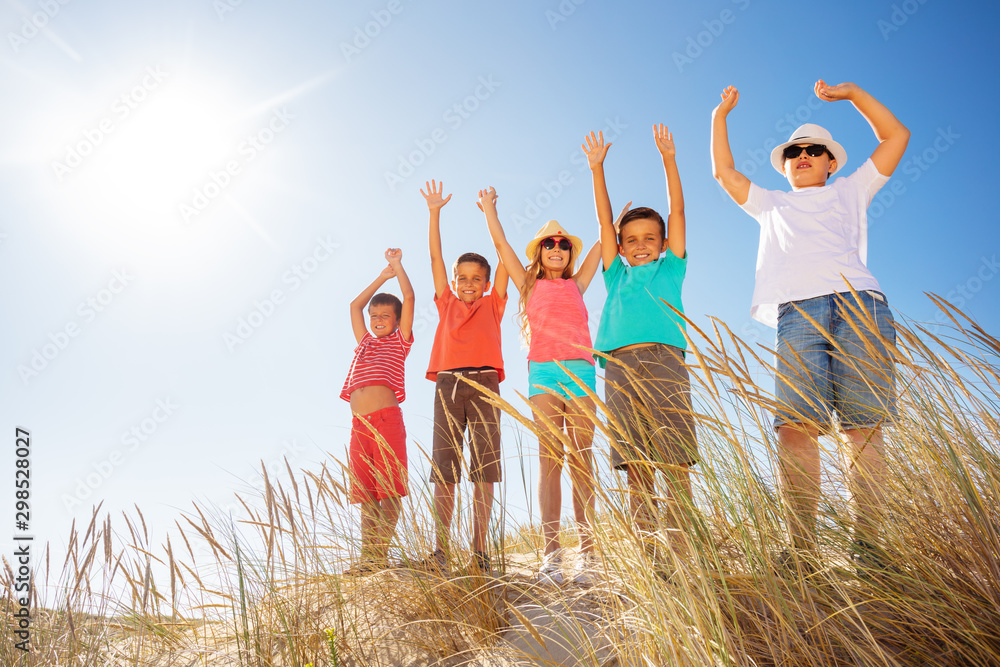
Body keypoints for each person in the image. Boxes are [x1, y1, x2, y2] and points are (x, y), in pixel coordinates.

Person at [711, 80, 909, 571]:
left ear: (830, 162)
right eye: (794, 151)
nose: (803, 155)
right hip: (797, 311)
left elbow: (896, 138)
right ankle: (801, 550)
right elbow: (723, 173)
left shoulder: (849, 190)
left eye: (814, 149)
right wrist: (721, 115)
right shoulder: (771, 203)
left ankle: (868, 550)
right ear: (784, 164)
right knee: (794, 429)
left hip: (859, 304)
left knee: (862, 428)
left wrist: (854, 95)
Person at [584, 126, 697, 572]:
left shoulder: (673, 269)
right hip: (620, 366)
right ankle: (650, 556)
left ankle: (682, 550)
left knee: (676, 460)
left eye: (650, 238)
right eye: (631, 240)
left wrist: (669, 160)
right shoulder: (616, 274)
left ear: (664, 243)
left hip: (666, 361)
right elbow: (602, 223)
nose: (640, 245)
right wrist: (598, 169)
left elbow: (679, 210)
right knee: (636, 462)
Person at [478, 186, 603, 585]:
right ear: (539, 252)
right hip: (543, 373)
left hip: (581, 370)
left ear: (569, 253)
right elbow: (501, 245)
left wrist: (613, 218)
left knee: (582, 459)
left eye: (562, 244)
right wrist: (489, 209)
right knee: (550, 460)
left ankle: (589, 551)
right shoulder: (528, 285)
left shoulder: (578, 283)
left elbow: (604, 240)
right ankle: (551, 553)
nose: (556, 247)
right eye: (548, 243)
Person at [411, 179, 509, 576]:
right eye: (462, 278)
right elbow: (435, 259)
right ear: (453, 282)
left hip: (485, 384)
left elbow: (504, 253)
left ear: (486, 284)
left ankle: (480, 550)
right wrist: (434, 213)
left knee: (484, 470)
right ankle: (440, 549)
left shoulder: (494, 305)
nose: (469, 284)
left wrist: (490, 213)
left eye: (476, 279)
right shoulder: (446, 302)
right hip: (448, 385)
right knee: (445, 470)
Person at [340, 248, 415, 576]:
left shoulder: (399, 341)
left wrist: (397, 269)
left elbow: (409, 296)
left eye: (386, 315)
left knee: (390, 490)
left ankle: (379, 554)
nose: (379, 320)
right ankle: (367, 558)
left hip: (386, 420)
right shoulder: (364, 343)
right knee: (367, 495)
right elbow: (354, 306)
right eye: (376, 316)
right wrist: (380, 278)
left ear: (397, 321)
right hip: (360, 426)